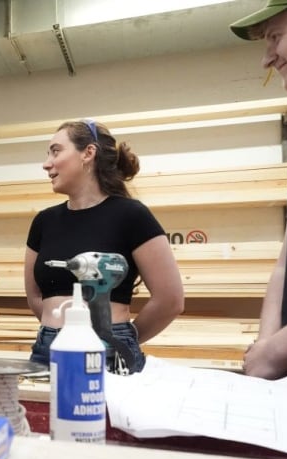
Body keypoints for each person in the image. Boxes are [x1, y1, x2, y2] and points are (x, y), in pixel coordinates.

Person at [24, 119, 184, 374]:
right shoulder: (44, 221)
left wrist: (120, 338)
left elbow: (170, 299)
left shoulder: (131, 215)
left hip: (108, 348)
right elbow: (35, 296)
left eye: (56, 151)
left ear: (88, 153)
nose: (46, 164)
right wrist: (61, 330)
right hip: (47, 347)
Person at [231, 1, 287, 379]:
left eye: (276, 36)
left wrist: (278, 347)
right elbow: (286, 263)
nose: (267, 59)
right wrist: (268, 347)